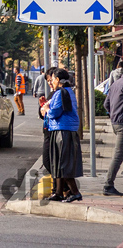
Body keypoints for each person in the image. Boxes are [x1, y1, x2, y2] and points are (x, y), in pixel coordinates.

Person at [41, 68, 83, 202]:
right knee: (58, 163)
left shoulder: (60, 93)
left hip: (62, 131)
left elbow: (55, 113)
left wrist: (47, 109)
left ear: (58, 80)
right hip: (62, 130)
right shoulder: (68, 91)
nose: (51, 82)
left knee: (62, 164)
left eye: (52, 79)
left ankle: (75, 192)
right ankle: (58, 193)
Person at [103, 69, 123, 197]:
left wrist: (114, 114)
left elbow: (106, 104)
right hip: (122, 124)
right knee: (118, 155)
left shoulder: (116, 83)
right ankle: (108, 185)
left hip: (116, 123)